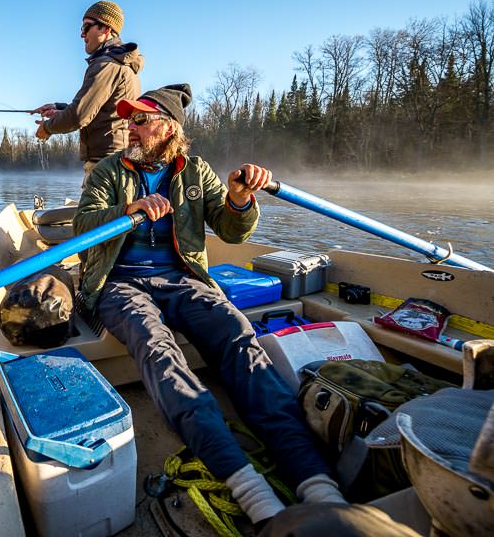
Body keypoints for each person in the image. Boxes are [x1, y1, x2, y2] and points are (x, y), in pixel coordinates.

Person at [73, 84, 346, 527]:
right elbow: (81, 225)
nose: (130, 128)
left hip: (184, 280)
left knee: (238, 335)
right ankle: (244, 483)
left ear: (168, 127)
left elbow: (233, 231)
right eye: (128, 120)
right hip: (120, 283)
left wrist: (240, 199)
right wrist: (129, 209)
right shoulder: (108, 170)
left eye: (140, 120)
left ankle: (317, 481)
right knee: (157, 347)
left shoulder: (196, 171)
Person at [32, 0, 144, 184]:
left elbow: (79, 115)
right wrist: (59, 108)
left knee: (92, 214)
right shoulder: (121, 63)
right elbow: (102, 110)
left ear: (105, 29)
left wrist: (47, 127)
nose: (82, 34)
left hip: (106, 165)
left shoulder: (106, 65)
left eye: (86, 27)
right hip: (118, 161)